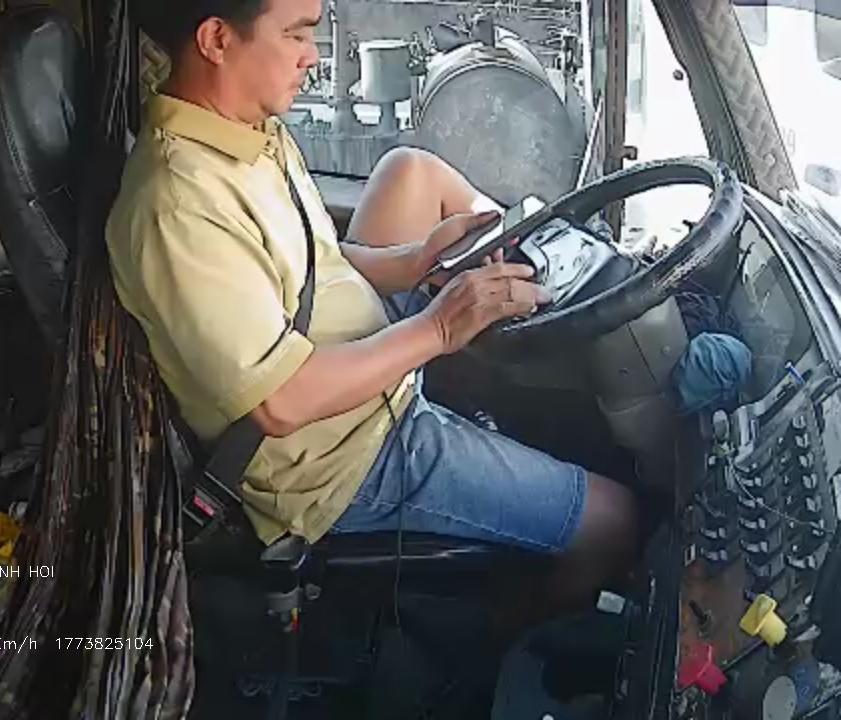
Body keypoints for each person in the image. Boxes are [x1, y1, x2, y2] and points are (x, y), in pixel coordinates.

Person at [108, 0, 639, 621]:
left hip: (356, 363)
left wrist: (416, 262)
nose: (312, 56)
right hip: (341, 458)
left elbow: (315, 262)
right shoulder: (179, 206)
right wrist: (438, 327)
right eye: (295, 35)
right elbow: (279, 402)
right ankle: (507, 637)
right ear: (217, 39)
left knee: (408, 170)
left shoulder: (248, 130)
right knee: (614, 521)